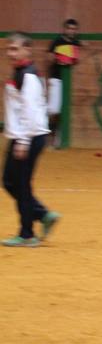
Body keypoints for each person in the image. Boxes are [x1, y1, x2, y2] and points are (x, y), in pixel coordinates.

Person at [3, 33, 57, 248]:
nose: (10, 53)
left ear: (27, 50)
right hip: (20, 135)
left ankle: (27, 234)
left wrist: (24, 141)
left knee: (22, 185)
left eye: (15, 49)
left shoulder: (29, 76)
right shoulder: (21, 73)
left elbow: (31, 111)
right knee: (9, 181)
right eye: (9, 49)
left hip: (29, 136)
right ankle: (42, 215)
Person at [44, 19, 82, 149]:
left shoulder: (76, 43)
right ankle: (42, 128)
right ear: (64, 29)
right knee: (53, 109)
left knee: (61, 110)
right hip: (56, 78)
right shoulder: (58, 41)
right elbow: (49, 57)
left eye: (74, 29)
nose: (71, 31)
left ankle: (56, 140)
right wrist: (60, 58)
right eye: (69, 29)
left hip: (67, 81)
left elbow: (76, 59)